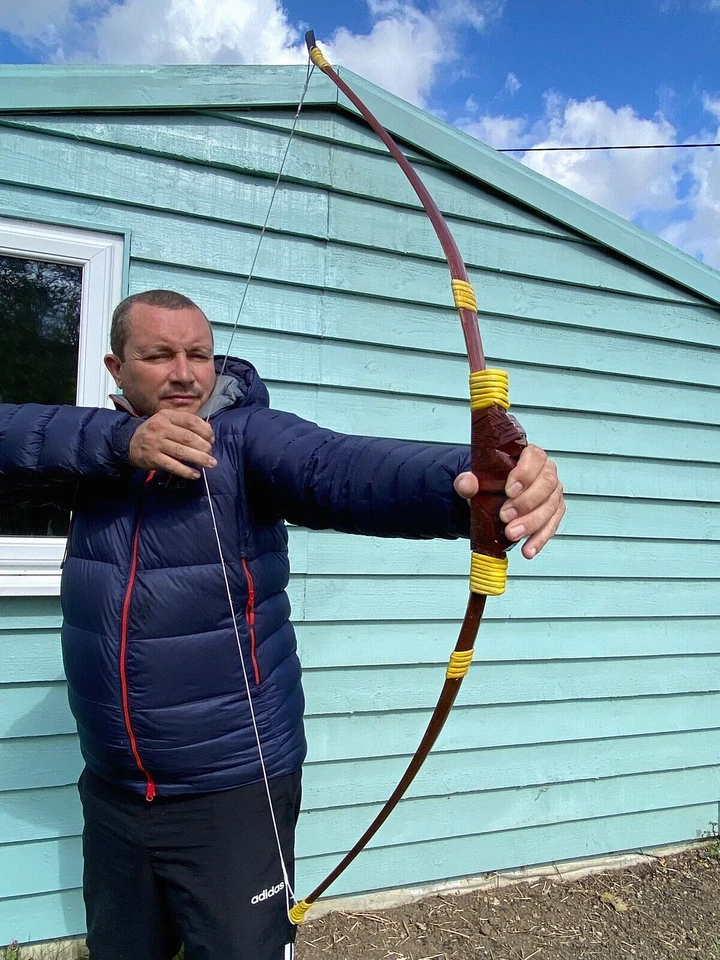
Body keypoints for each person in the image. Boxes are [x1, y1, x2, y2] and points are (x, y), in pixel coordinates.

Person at [0, 289, 565, 960]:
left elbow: (338, 467)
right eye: (158, 355)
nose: (184, 373)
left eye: (199, 355)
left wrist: (475, 481)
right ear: (115, 369)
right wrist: (122, 441)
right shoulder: (96, 459)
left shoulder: (246, 439)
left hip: (234, 791)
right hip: (115, 792)